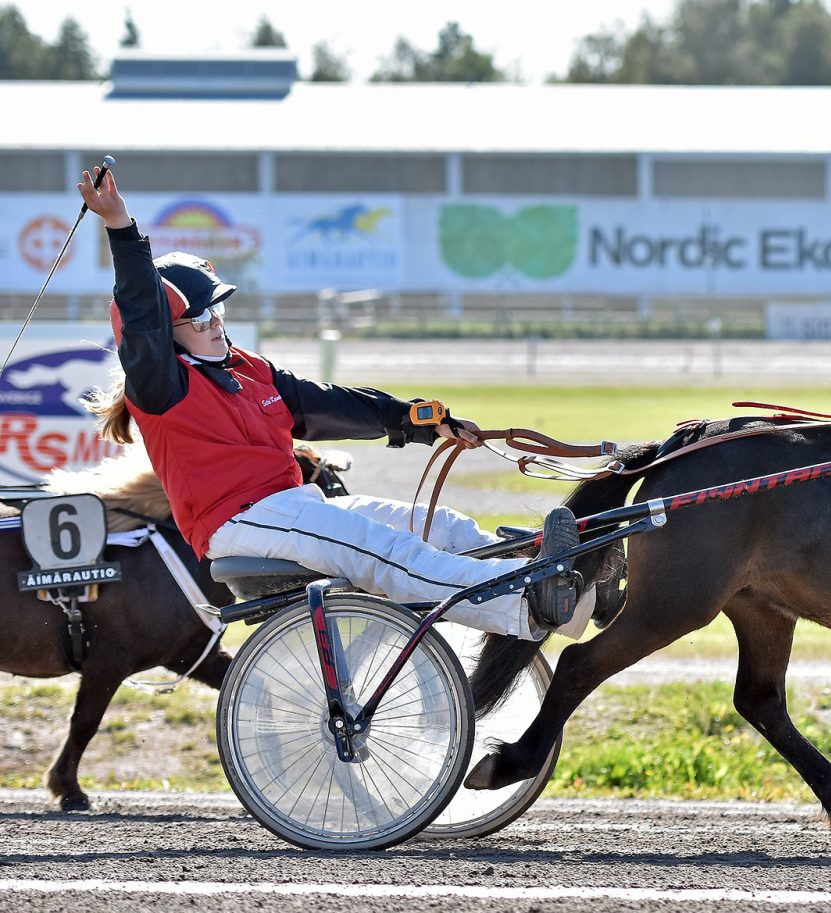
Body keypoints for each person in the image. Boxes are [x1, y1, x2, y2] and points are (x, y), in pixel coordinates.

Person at [77, 165, 583, 641]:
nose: (216, 325)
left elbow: (327, 404)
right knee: (392, 551)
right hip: (239, 523)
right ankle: (525, 600)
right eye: (200, 319)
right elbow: (142, 312)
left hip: (293, 508)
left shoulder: (245, 367)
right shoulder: (161, 388)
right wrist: (120, 226)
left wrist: (415, 421)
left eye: (218, 312)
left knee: (443, 527)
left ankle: (565, 586)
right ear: (167, 337)